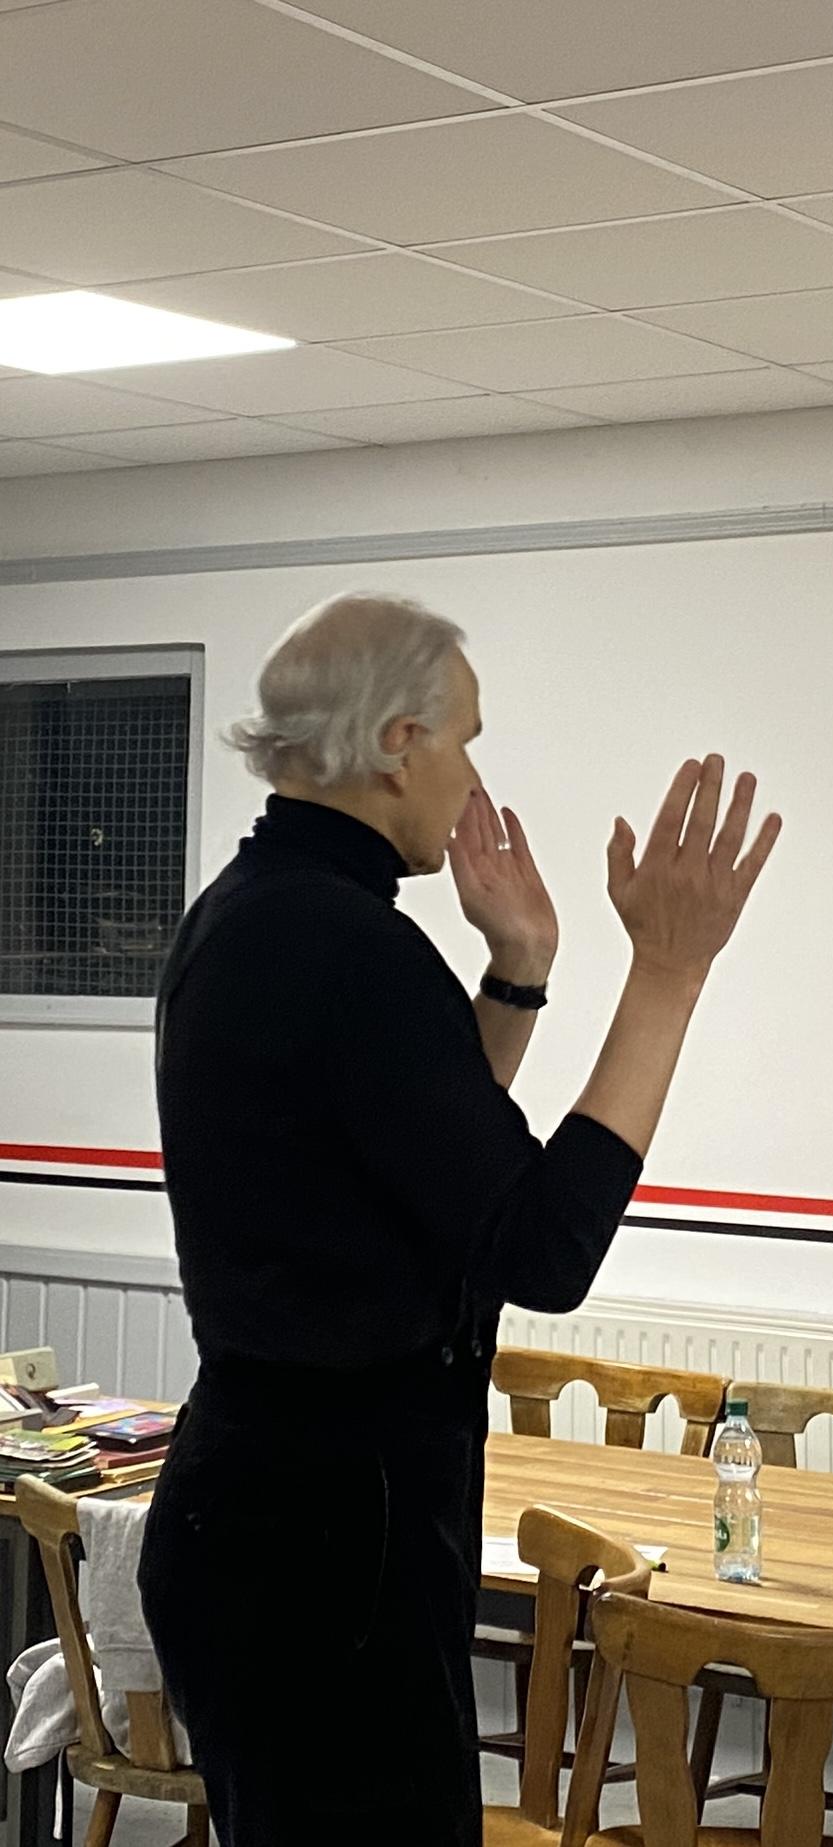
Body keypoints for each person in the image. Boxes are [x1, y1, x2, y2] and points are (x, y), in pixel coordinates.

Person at [138, 593, 782, 1845]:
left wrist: (518, 970)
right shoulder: (346, 947)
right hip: (326, 1554)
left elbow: (418, 1173)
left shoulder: (257, 912)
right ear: (398, 742)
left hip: (274, 1519)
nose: (472, 776)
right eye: (466, 738)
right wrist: (668, 972)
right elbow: (541, 1246)